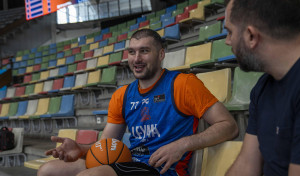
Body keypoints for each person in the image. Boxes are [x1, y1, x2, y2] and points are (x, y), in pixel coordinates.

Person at [38, 29, 238, 176]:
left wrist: (182, 144)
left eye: (144, 51)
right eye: (132, 52)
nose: (137, 58)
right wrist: (81, 150)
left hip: (161, 170)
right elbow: (107, 146)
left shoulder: (183, 84)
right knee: (48, 171)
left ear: (160, 55)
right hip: (129, 163)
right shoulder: (123, 95)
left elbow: (229, 126)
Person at [224, 0, 300, 175]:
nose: (228, 41)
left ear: (251, 36)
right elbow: (246, 165)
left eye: (230, 32)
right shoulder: (263, 87)